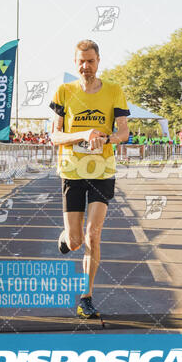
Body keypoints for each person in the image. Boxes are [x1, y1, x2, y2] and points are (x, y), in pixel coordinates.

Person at [50, 39, 130, 319]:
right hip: (72, 171)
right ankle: (65, 238)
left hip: (102, 171)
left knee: (92, 235)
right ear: (75, 62)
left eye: (91, 61)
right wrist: (82, 135)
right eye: (81, 61)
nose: (86, 66)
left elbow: (124, 133)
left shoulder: (114, 91)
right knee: (74, 241)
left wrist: (105, 137)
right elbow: (54, 136)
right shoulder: (64, 91)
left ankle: (86, 297)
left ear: (99, 61)